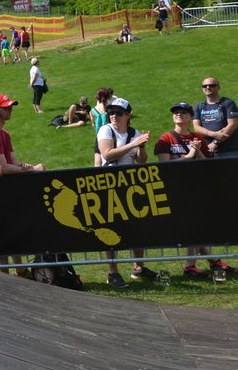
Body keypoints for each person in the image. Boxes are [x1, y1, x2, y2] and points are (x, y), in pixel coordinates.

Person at [150, 102, 229, 279]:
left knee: (197, 225)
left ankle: (205, 262)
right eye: (176, 113)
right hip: (175, 188)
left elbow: (208, 165)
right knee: (192, 225)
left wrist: (198, 151)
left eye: (183, 113)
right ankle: (198, 264)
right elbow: (164, 165)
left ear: (190, 117)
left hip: (196, 187)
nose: (179, 115)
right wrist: (188, 157)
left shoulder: (197, 138)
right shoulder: (166, 138)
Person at [0, 94, 45, 276]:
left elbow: (13, 162)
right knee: (2, 239)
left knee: (13, 233)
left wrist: (24, 166)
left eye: (10, 107)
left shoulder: (4, 134)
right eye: (6, 107)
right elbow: (2, 168)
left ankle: (21, 271)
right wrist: (32, 170)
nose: (10, 110)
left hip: (7, 191)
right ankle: (4, 277)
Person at [97, 97, 154, 287]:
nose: (113, 116)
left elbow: (142, 161)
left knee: (136, 226)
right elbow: (107, 154)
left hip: (131, 185)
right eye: (111, 112)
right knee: (112, 229)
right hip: (110, 184)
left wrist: (142, 147)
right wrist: (133, 144)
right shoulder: (106, 130)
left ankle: (139, 267)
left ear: (128, 115)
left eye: (118, 113)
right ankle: (113, 272)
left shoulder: (134, 132)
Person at [193, 77, 238, 158]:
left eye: (212, 85)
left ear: (218, 87)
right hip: (207, 150)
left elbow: (233, 124)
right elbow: (196, 127)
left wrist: (215, 143)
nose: (208, 87)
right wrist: (214, 134)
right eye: (204, 86)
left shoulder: (228, 103)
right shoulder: (199, 106)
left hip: (228, 151)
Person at [91, 87, 114, 167]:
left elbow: (93, 124)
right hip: (112, 135)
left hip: (99, 136)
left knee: (97, 159)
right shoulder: (111, 108)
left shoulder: (93, 110)